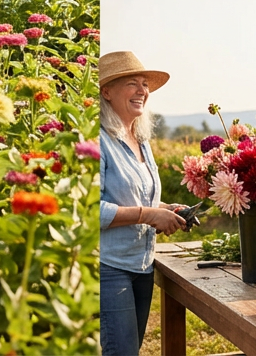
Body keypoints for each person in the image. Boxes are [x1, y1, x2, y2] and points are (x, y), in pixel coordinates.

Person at [99, 52, 187, 356]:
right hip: (109, 266)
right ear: (106, 91)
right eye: (131, 83)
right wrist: (149, 215)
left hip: (142, 263)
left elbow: (137, 195)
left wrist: (166, 209)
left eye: (144, 84)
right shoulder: (99, 140)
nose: (142, 91)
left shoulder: (141, 139)